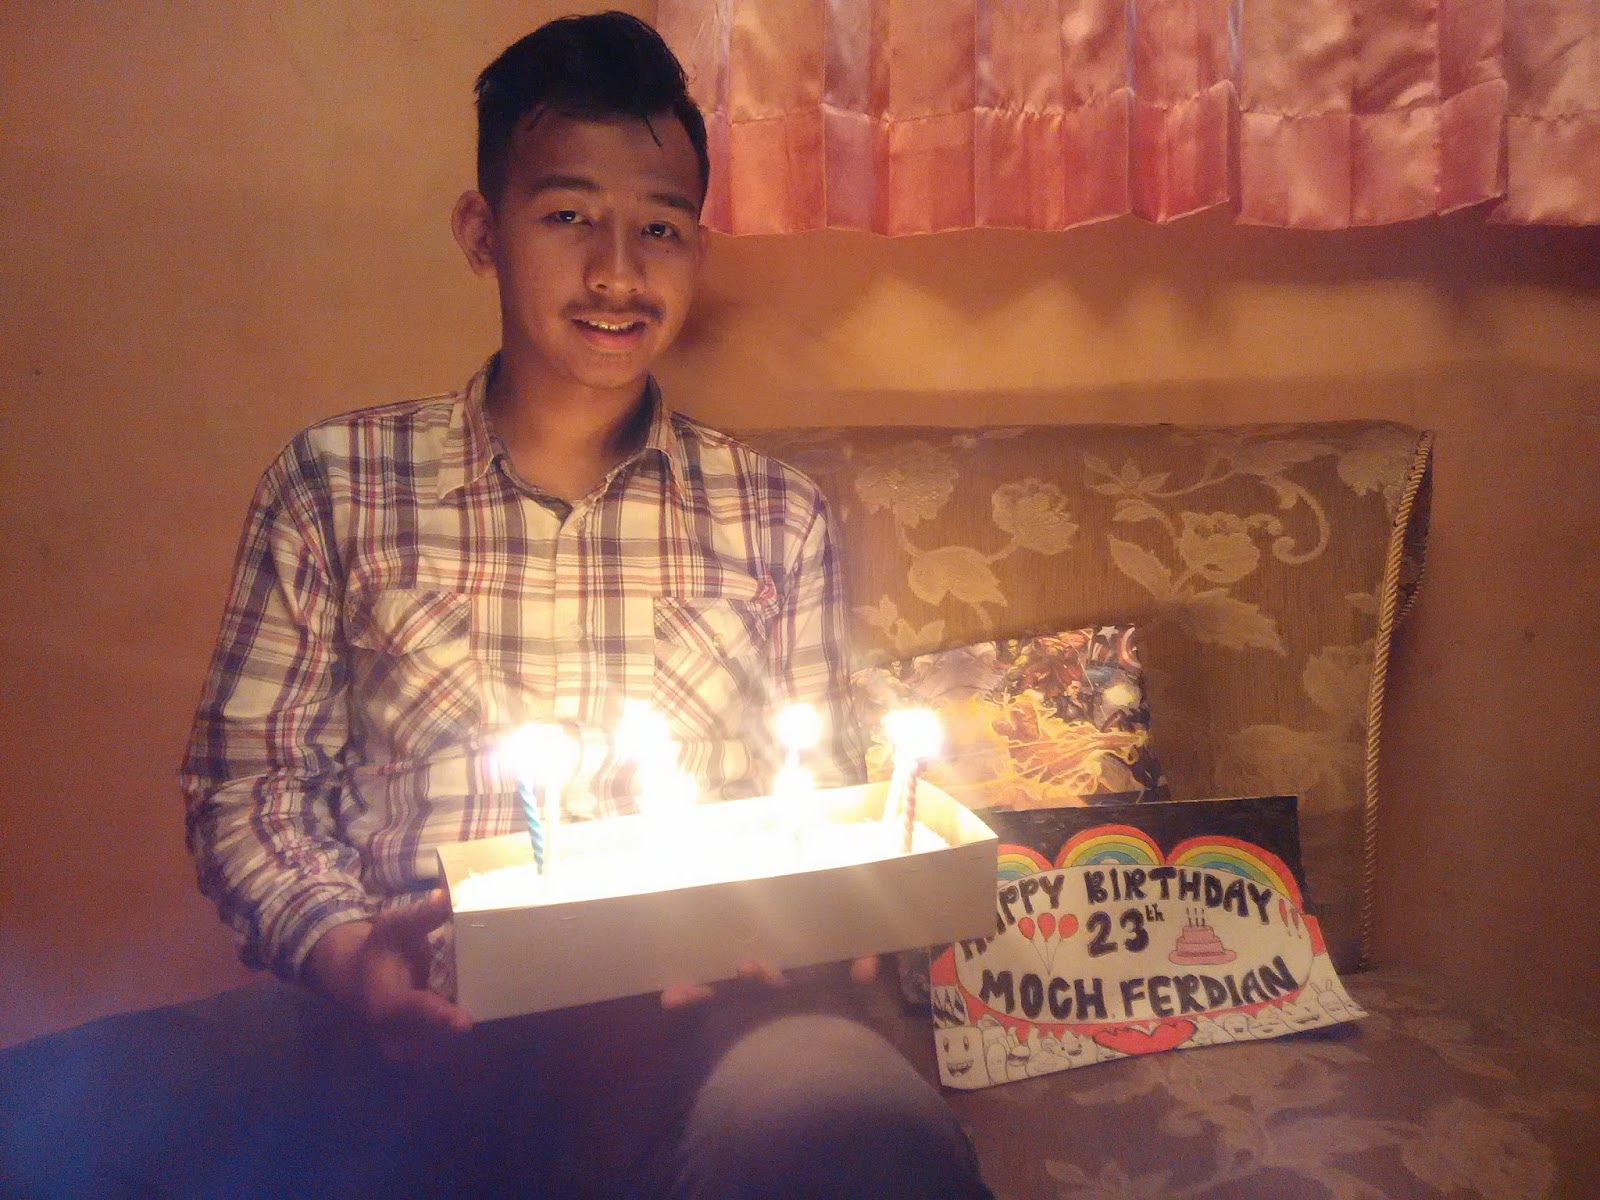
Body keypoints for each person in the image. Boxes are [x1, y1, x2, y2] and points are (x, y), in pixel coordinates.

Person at [0, 13, 991, 1200]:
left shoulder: (774, 516)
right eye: (567, 216)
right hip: (406, 1019)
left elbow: (815, 796)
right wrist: (349, 954)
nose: (616, 272)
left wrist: (801, 925)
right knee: (57, 1119)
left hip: (698, 1033)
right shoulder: (336, 487)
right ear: (483, 232)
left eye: (659, 228)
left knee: (855, 1125)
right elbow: (248, 790)